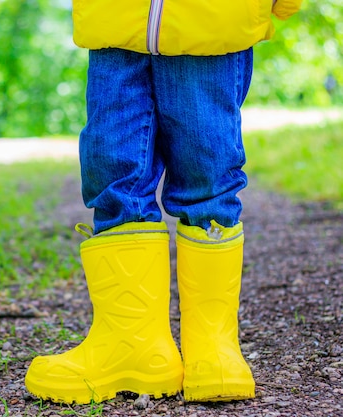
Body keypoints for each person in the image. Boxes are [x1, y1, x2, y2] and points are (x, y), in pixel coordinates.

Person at [25, 0, 303, 405]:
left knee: (208, 170)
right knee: (111, 167)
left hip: (213, 18)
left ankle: (212, 345)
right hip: (113, 17)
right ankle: (132, 345)